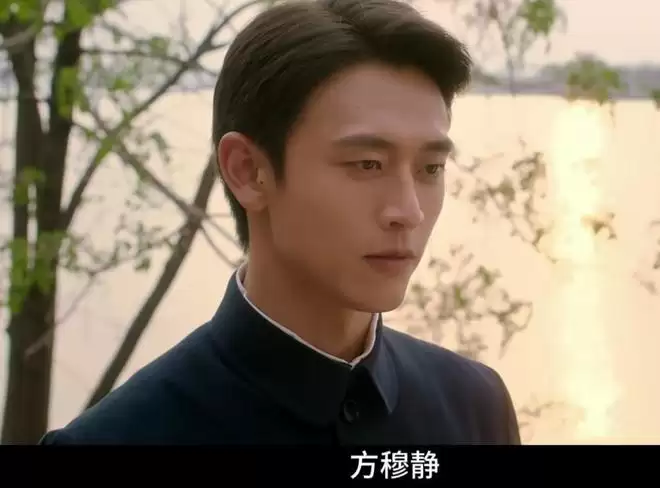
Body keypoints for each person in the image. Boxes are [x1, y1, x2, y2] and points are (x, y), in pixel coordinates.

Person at [39, 0, 521, 445]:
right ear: (248, 171)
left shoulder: (474, 407)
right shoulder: (116, 439)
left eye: (430, 169)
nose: (408, 211)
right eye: (368, 164)